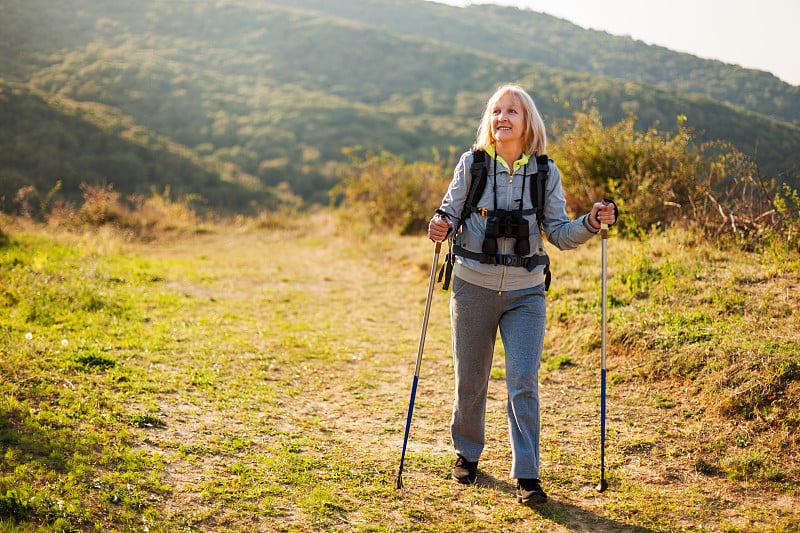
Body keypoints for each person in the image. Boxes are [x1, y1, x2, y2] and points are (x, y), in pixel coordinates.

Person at [427, 84, 617, 506]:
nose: (503, 118)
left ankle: (527, 476)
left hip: (526, 294)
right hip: (472, 286)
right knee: (470, 379)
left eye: (512, 111)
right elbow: (447, 211)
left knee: (523, 383)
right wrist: (438, 224)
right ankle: (467, 453)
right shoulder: (471, 165)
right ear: (489, 121)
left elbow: (560, 235)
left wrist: (591, 221)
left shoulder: (546, 172)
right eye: (496, 111)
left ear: (527, 121)